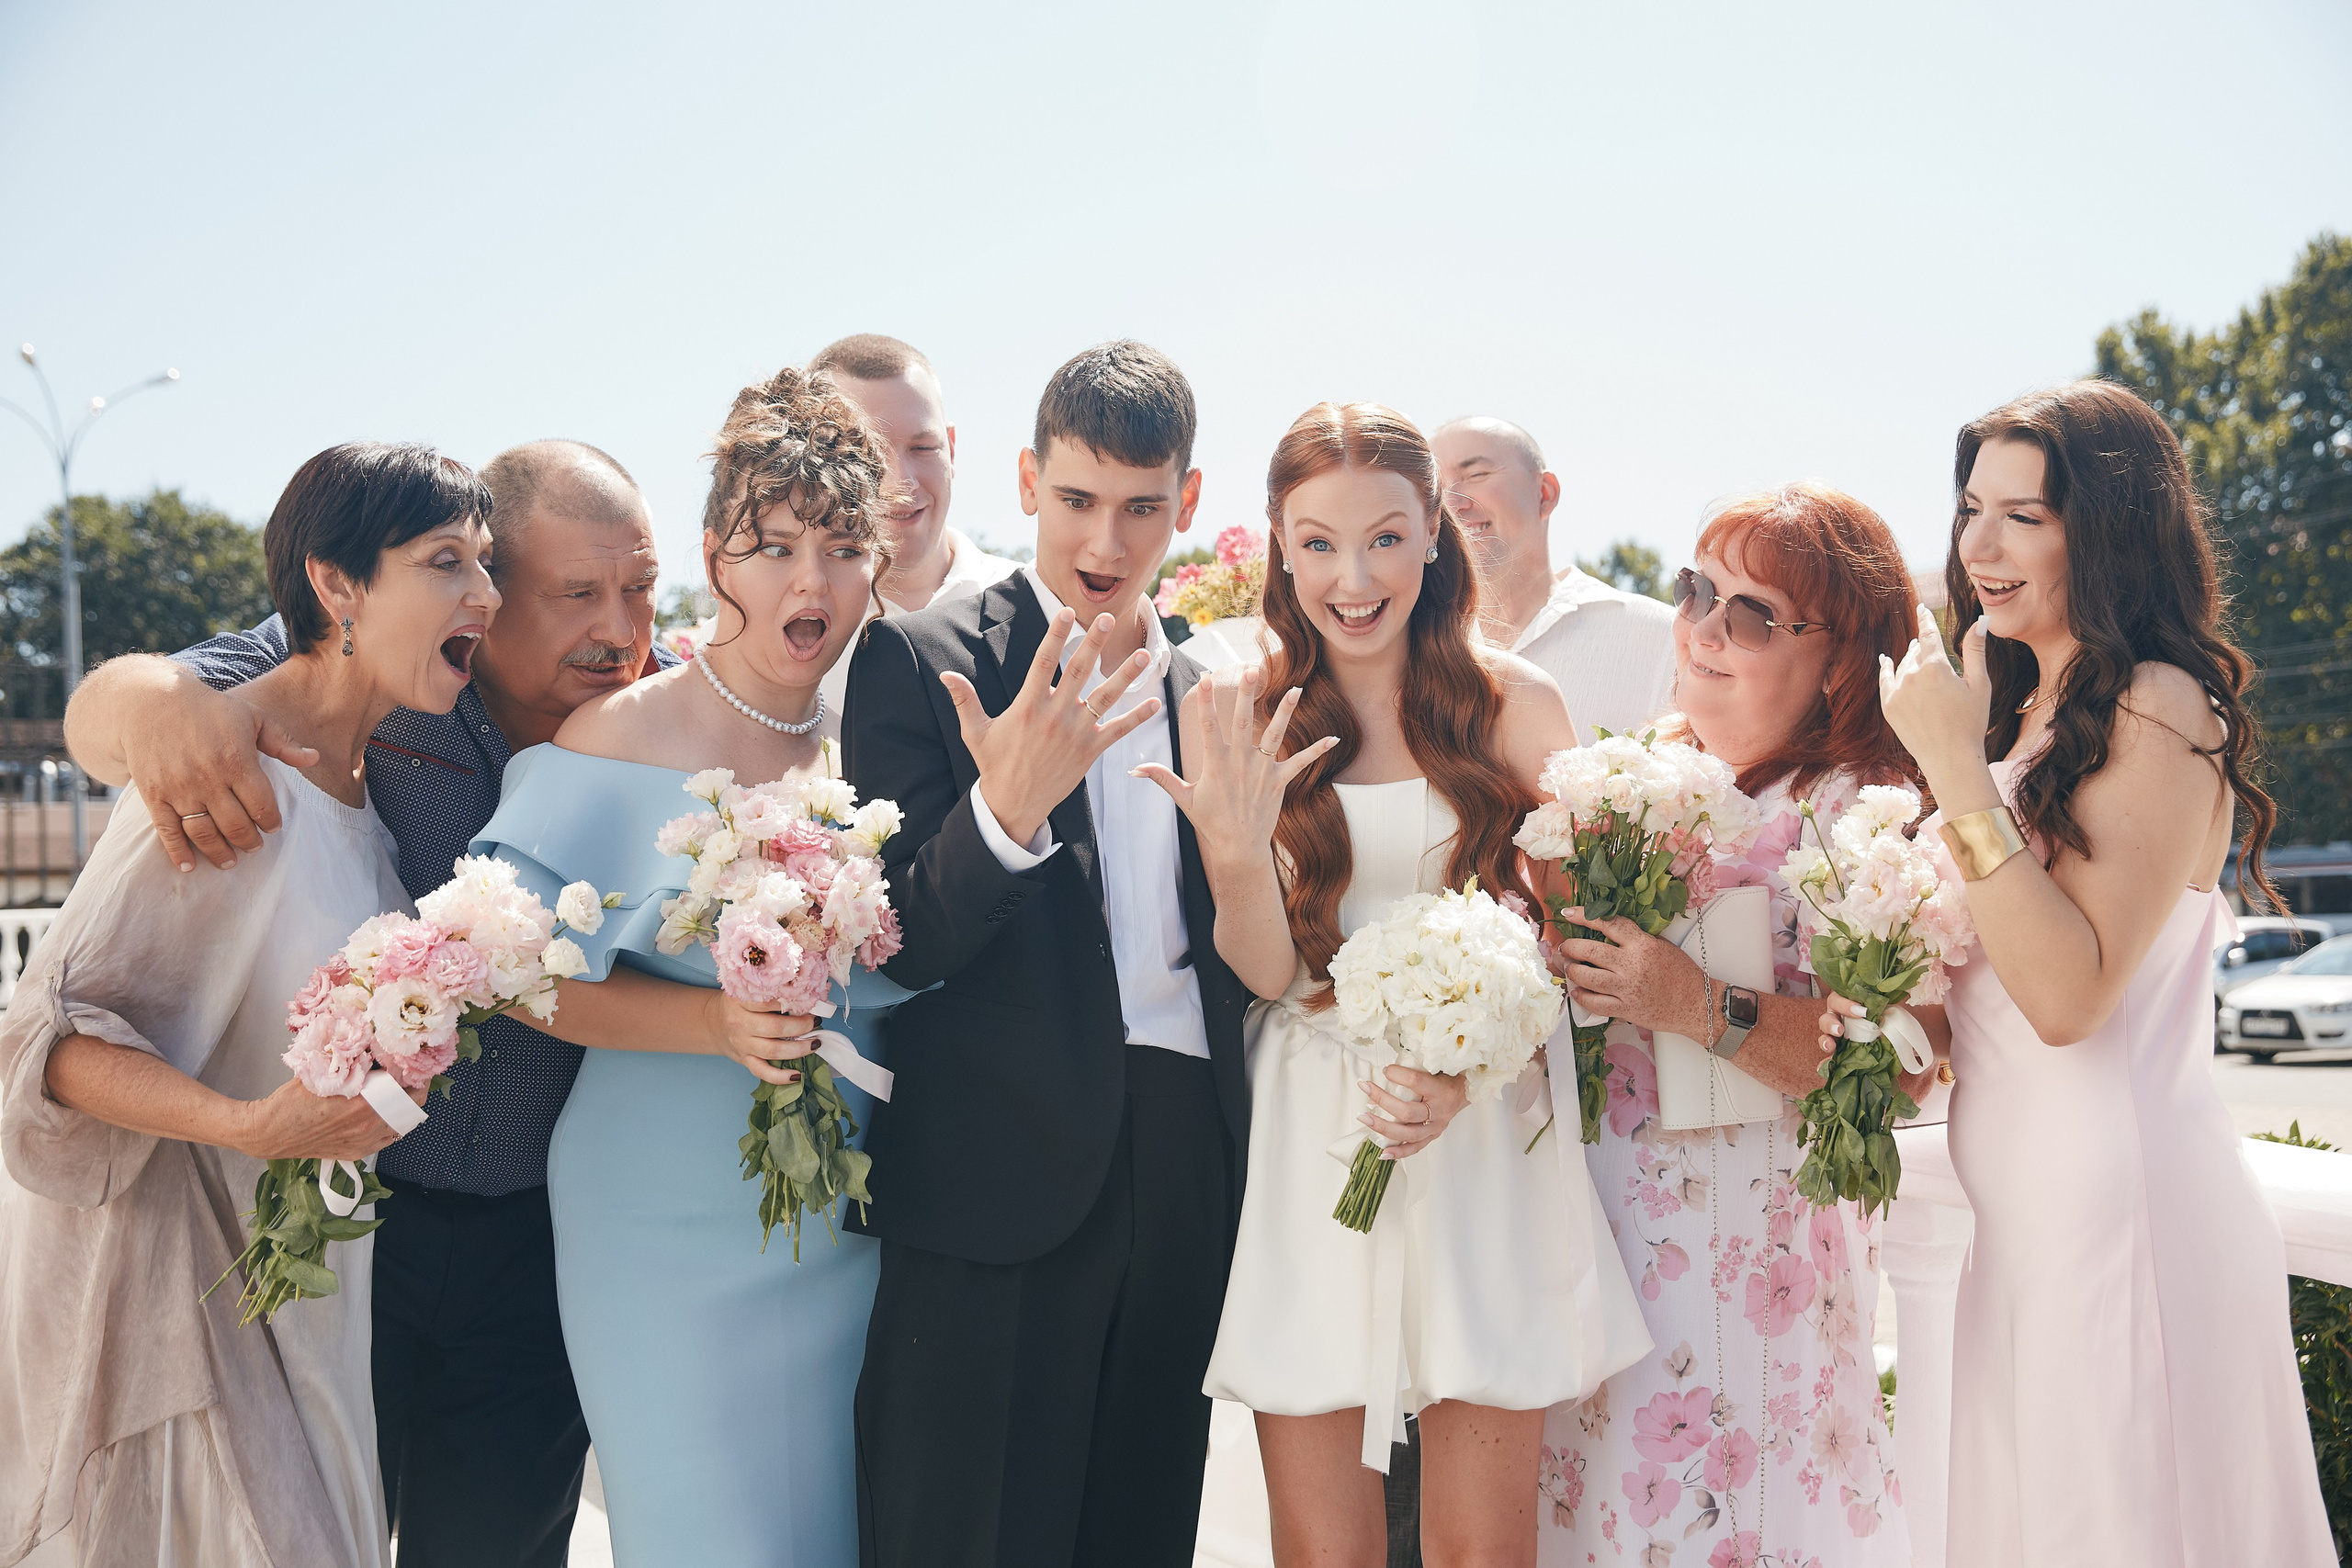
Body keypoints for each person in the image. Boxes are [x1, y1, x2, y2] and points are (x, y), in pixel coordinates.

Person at [57, 439, 694, 1566]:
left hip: (542, 1252)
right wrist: (155, 703)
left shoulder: (674, 723)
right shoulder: (375, 672)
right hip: (352, 1238)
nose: (622, 627)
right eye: (578, 593)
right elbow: (125, 703)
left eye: (641, 587)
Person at [1853, 380, 2331, 1566]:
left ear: (2108, 529)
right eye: (1972, 508)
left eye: (2028, 514)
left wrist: (1955, 774)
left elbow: (2069, 997)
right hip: (2024, 1214)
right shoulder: (2028, 716)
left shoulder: (2160, 705)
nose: (1981, 544)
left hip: (2123, 1205)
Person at [0, 442, 492, 1566]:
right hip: (173, 1297)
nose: (484, 594)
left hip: (310, 1297)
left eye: (488, 562)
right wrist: (244, 1127)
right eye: (445, 561)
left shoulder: (369, 806)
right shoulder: (221, 781)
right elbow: (40, 1043)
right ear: (336, 585)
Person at [1176, 401, 1650, 1568]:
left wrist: (1468, 1065)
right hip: (1314, 1127)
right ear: (1279, 547)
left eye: (1386, 537)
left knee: (1480, 1552)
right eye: (1320, 541)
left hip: (1482, 1132)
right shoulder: (1235, 712)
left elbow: (1571, 946)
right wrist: (1236, 855)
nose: (1354, 576)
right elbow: (1268, 971)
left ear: (1434, 534)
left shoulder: (1518, 704)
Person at [471, 367, 905, 1564]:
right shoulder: (618, 734)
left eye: (839, 546)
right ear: (715, 554)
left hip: (851, 1216)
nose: (807, 581)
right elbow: (513, 974)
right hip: (654, 1222)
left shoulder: (884, 740)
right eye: (771, 546)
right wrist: (709, 1023)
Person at [842, 340, 1253, 1568]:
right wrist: (1005, 809)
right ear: (1026, 481)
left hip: (1184, 1169)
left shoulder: (1217, 689)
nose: (1107, 538)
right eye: (1077, 498)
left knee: (1140, 1529)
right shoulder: (924, 659)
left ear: (1187, 501)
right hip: (993, 1177)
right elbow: (893, 947)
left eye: (1141, 506)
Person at [1534, 482, 1929, 1565]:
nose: (1704, 628)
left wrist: (1694, 1004)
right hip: (1603, 1249)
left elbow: (1897, 1073)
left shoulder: (1862, 810)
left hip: (1754, 1270)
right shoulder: (1630, 777)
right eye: (1696, 591)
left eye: (1751, 614)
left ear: (1840, 659)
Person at [808, 333, 1020, 722]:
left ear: (951, 448)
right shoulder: (775, 630)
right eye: (865, 453)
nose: (899, 482)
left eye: (923, 448)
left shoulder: (1033, 601)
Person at [1432, 416, 1676, 743]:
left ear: (1545, 494)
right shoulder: (1409, 645)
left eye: (1476, 475)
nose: (1452, 502)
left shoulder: (1659, 636)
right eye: (1435, 487)